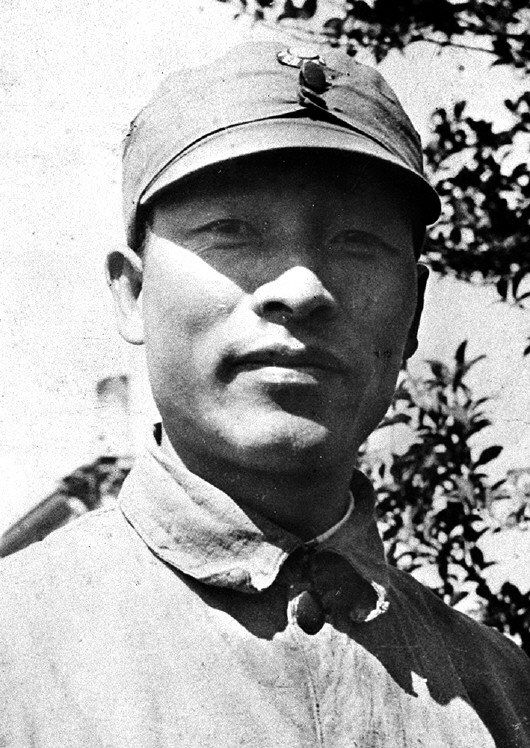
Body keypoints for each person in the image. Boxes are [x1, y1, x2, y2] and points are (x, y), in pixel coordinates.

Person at [1, 41, 529, 748]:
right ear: (132, 293)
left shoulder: (504, 695)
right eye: (232, 232)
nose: (303, 289)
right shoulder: (17, 652)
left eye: (357, 241)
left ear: (415, 315)